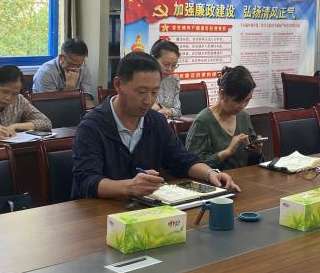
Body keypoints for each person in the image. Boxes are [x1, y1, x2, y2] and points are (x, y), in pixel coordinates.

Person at [72, 51, 239, 200]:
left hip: (143, 211)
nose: (149, 100)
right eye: (141, 92)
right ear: (118, 85)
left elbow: (182, 159)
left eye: (154, 92)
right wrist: (129, 186)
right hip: (97, 213)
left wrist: (210, 174)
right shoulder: (92, 126)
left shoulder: (156, 121)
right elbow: (87, 180)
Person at [186, 66, 264, 170]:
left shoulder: (243, 117)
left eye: (247, 100)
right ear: (222, 94)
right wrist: (227, 152)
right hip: (215, 178)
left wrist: (257, 153)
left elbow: (253, 163)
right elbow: (192, 165)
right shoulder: (203, 121)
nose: (243, 106)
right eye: (237, 101)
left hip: (244, 176)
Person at [32, 37, 95, 107]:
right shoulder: (45, 74)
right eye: (72, 64)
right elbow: (51, 106)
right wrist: (70, 87)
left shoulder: (83, 67)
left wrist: (90, 106)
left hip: (73, 109)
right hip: (46, 110)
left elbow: (86, 97)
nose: (76, 69)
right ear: (61, 57)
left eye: (79, 65)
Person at [150, 38, 182, 118]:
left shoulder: (173, 81)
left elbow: (178, 112)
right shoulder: (142, 79)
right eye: (166, 64)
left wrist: (165, 110)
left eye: (174, 65)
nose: (170, 69)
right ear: (153, 60)